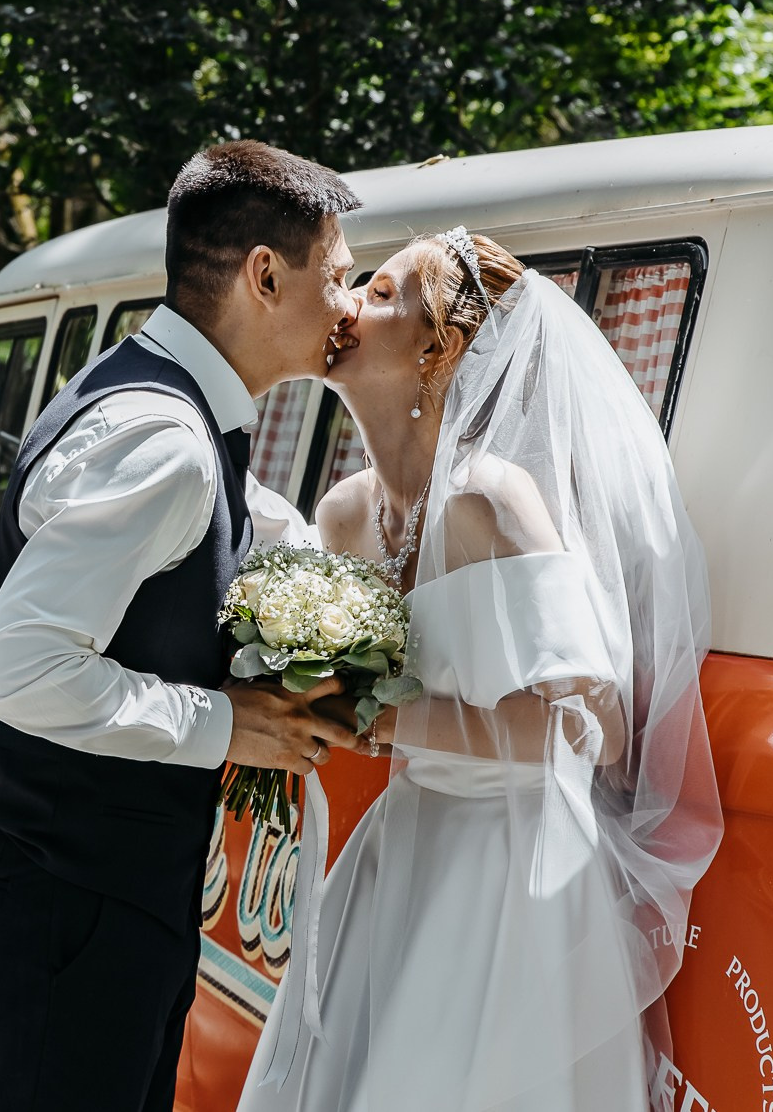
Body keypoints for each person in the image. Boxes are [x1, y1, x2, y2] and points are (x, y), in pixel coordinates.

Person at [239, 230, 723, 1112]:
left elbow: (596, 729)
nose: (348, 305)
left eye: (380, 294)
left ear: (439, 344)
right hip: (399, 858)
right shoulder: (343, 516)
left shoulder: (492, 499)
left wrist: (384, 719)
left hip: (514, 878)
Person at [0, 141, 365, 1112]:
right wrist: (228, 723)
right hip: (68, 904)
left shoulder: (168, 411)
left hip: (94, 897)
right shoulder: (163, 442)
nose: (348, 304)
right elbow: (16, 666)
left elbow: (242, 521)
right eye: (337, 277)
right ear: (265, 275)